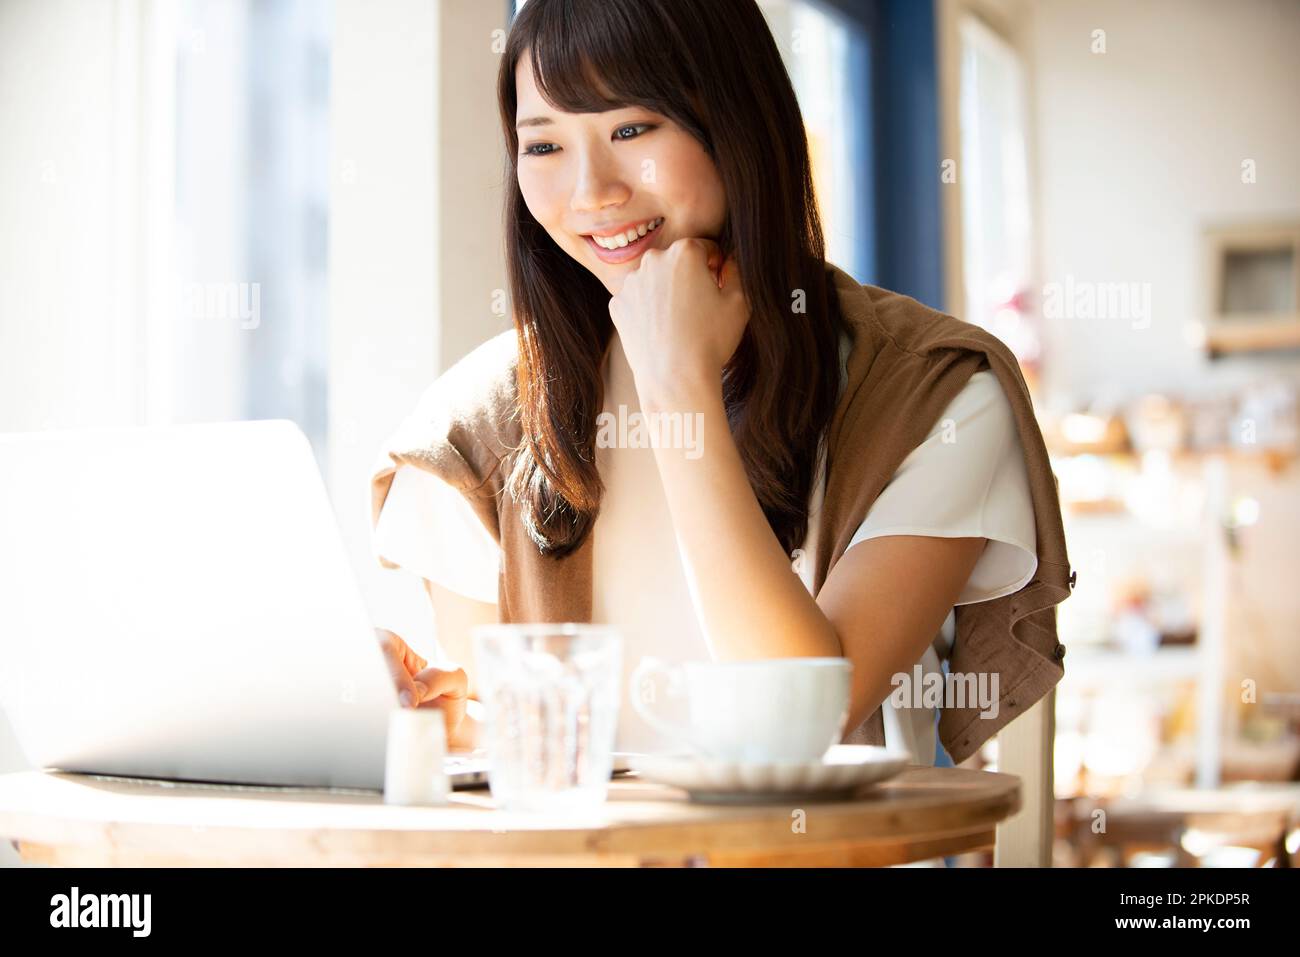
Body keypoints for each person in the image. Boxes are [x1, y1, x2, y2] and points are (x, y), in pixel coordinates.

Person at [372, 0, 1052, 763]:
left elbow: (800, 720)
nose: (592, 191)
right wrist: (452, 729)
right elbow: (524, 752)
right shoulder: (477, 428)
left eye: (632, 130)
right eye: (545, 145)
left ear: (738, 121)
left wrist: (679, 386)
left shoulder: (932, 393)